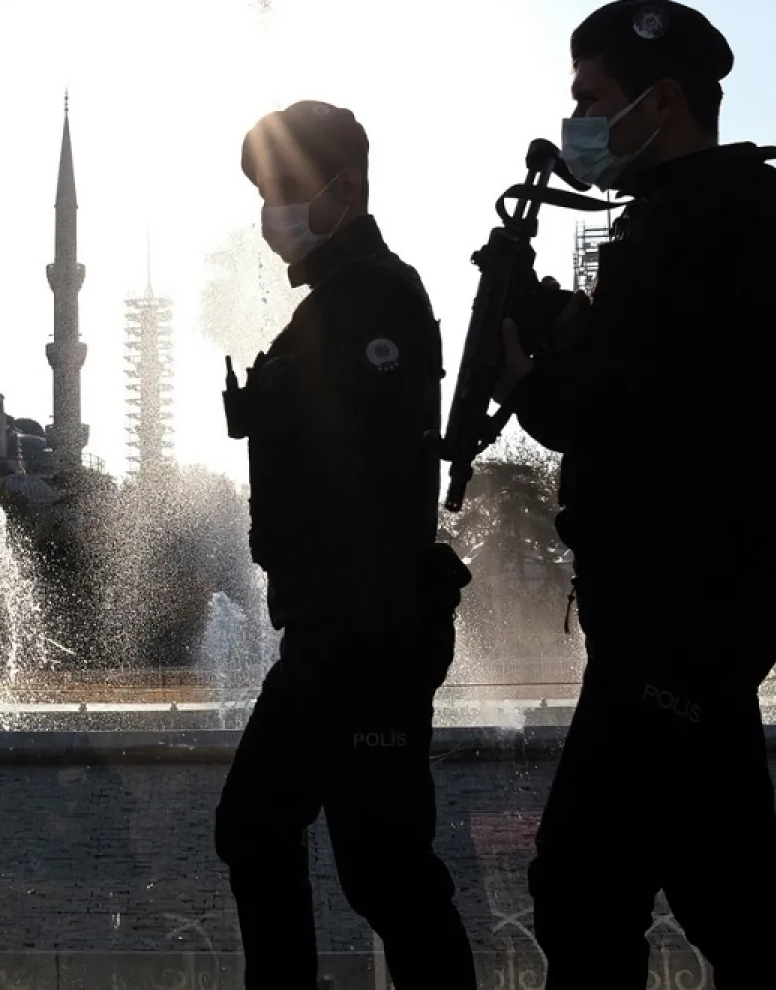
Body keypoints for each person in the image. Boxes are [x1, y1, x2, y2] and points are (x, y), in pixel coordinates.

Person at [492, 0, 776, 987]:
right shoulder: (675, 221)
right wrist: (553, 333)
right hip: (673, 597)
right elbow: (643, 383)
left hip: (689, 596)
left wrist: (534, 379)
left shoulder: (737, 213)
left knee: (581, 884)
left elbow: (651, 412)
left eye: (592, 98)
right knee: (729, 890)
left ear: (660, 99)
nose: (579, 121)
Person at [216, 100, 476, 989]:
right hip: (327, 630)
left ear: (347, 189)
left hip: (368, 631)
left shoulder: (376, 298)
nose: (271, 211)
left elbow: (373, 469)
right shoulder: (331, 304)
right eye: (263, 192)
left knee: (387, 872)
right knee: (255, 826)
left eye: (285, 188)